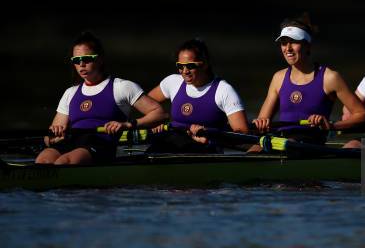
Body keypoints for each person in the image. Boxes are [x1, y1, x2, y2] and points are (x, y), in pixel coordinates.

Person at [35, 31, 166, 165]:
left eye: (86, 59)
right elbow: (53, 132)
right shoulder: (70, 93)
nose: (81, 64)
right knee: (43, 160)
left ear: (100, 59)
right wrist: (52, 138)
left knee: (64, 162)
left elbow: (159, 114)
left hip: (101, 145)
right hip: (72, 141)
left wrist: (127, 124)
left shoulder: (122, 87)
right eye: (76, 60)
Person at [252, 13, 365, 145]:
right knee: (254, 150)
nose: (288, 48)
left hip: (310, 141)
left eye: (294, 42)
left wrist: (331, 126)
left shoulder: (329, 77)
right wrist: (260, 123)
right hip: (281, 140)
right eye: (284, 43)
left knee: (288, 145)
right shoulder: (278, 77)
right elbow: (263, 119)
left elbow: (361, 115)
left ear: (308, 46)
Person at [147, 38, 249, 152]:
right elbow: (145, 104)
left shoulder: (224, 90)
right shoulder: (172, 82)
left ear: (205, 64)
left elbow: (243, 133)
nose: (184, 71)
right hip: (171, 142)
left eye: (190, 66)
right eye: (180, 66)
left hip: (205, 148)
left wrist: (209, 135)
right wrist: (156, 121)